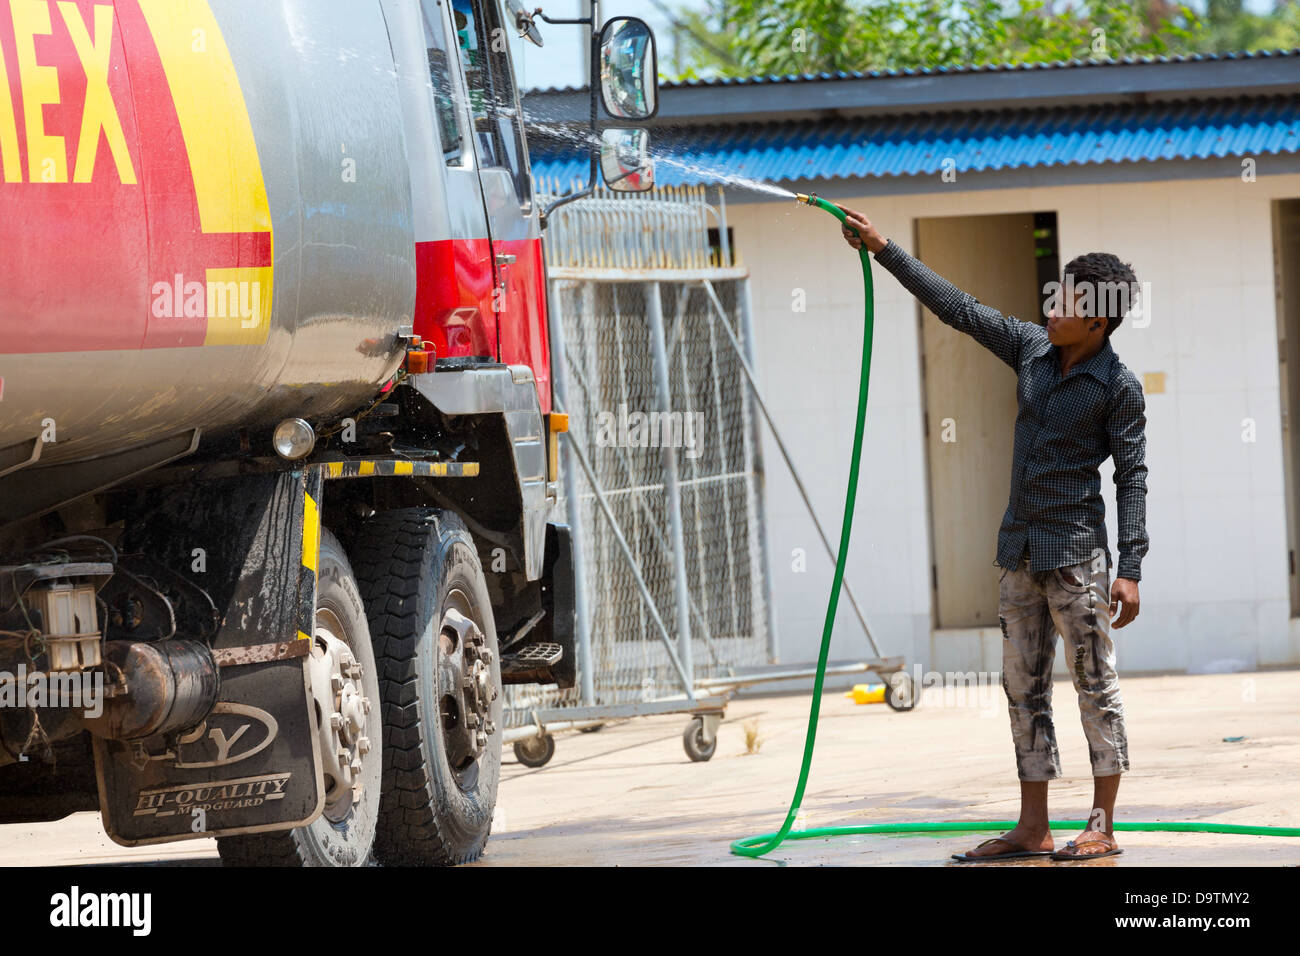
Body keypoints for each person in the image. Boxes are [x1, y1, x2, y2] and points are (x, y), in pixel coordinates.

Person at [838, 206, 1148, 862]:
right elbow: (958, 308)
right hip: (1019, 553)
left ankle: (1102, 823)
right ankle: (1033, 828)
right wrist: (884, 248)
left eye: (1066, 301)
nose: (1052, 306)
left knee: (1095, 685)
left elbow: (1133, 478)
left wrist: (1132, 567)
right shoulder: (1032, 348)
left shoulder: (1118, 387)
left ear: (1098, 319)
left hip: (1078, 561)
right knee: (1021, 689)